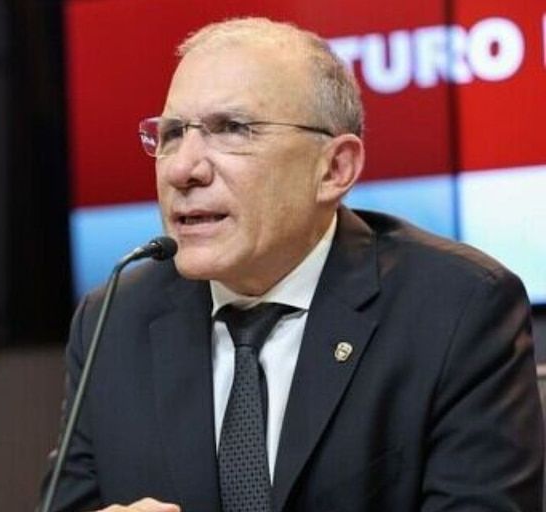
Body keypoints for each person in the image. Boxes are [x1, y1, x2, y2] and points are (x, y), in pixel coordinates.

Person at [43, 17, 543, 512]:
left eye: (232, 129)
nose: (181, 169)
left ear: (334, 169)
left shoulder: (456, 309)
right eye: (172, 134)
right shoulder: (114, 320)